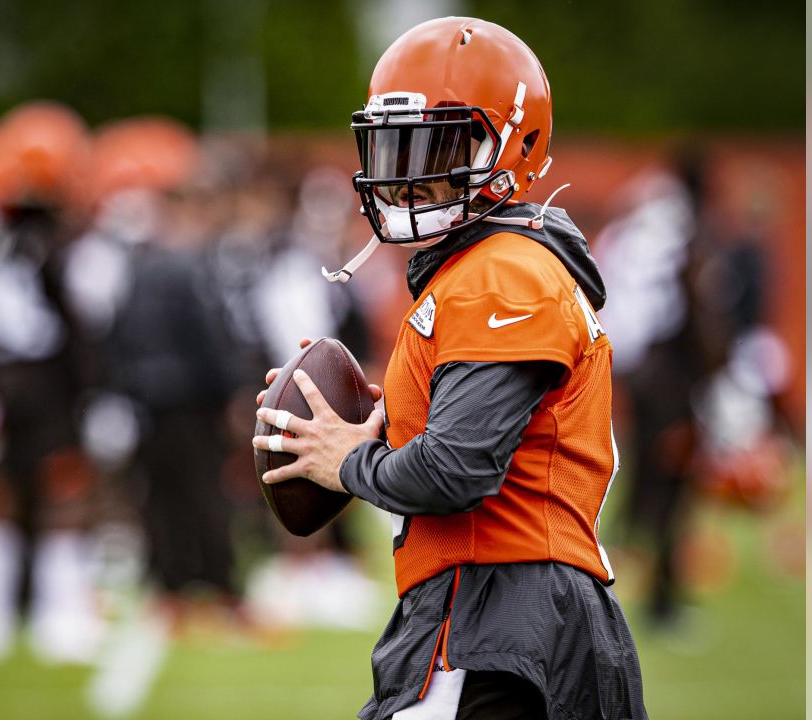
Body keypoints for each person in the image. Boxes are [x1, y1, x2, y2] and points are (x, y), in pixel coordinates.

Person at [253, 18, 646, 719]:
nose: (408, 175)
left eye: (435, 145)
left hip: (500, 619)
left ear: (512, 145)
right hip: (507, 615)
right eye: (396, 147)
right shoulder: (488, 265)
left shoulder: (501, 273)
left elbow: (457, 469)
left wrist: (348, 461)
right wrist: (381, 435)